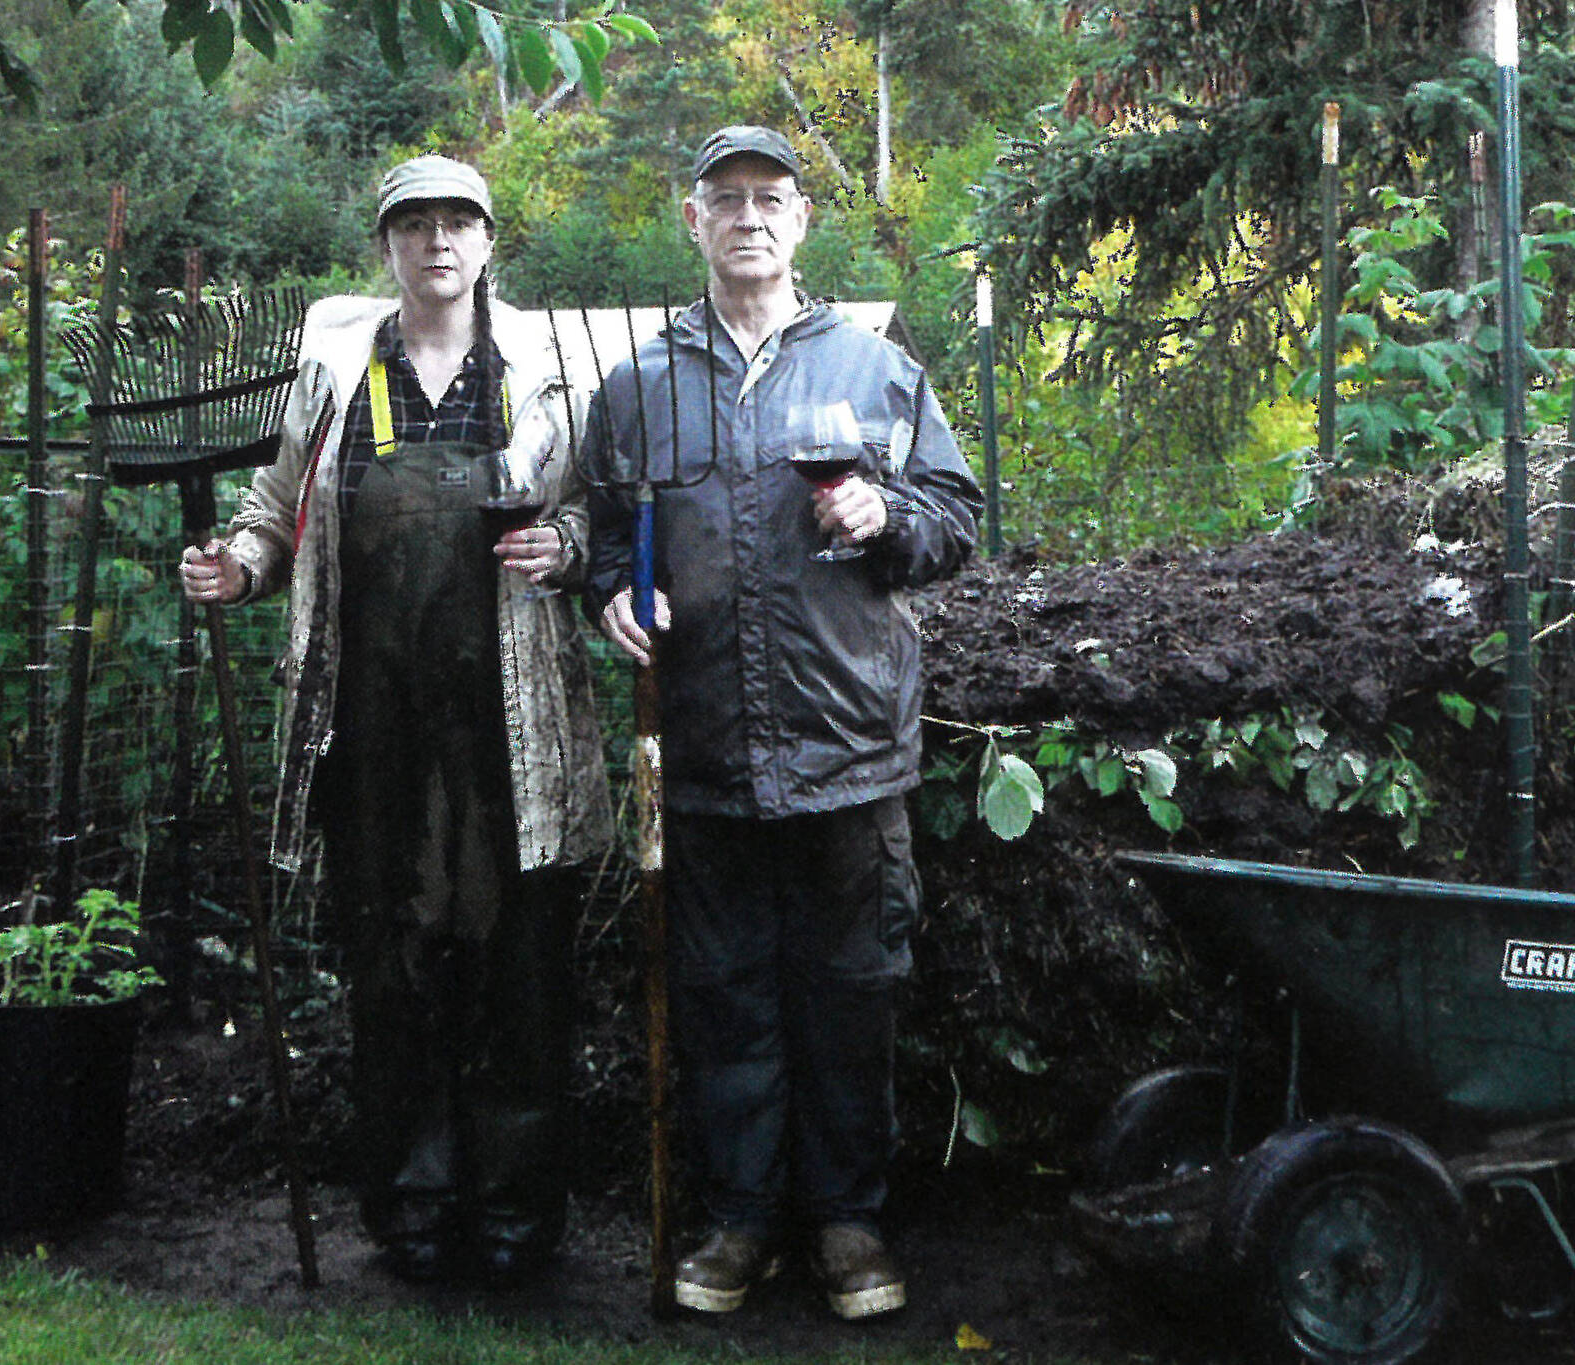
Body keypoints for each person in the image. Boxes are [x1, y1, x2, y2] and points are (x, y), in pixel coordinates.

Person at [179, 154, 610, 1287]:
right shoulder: (331, 374)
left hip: (509, 729)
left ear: (483, 243)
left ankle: (516, 1213)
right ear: (385, 249)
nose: (434, 244)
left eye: (454, 223)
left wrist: (561, 548)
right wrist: (240, 565)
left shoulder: (546, 372)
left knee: (518, 970)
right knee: (393, 966)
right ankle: (410, 1209)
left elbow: (592, 519)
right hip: (368, 729)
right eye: (411, 226)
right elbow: (276, 512)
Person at [583, 126, 982, 1320]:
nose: (747, 216)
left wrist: (886, 512)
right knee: (723, 995)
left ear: (801, 220)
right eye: (724, 199)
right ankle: (741, 1224)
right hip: (699, 748)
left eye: (769, 198)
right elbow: (607, 537)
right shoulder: (638, 387)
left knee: (849, 992)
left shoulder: (873, 369)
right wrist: (615, 588)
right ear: (690, 220)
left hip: (848, 747)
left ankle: (849, 1227)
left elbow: (956, 519)